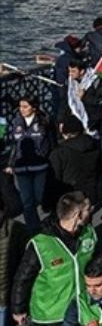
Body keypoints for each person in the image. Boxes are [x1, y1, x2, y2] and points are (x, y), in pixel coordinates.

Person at [10, 191, 96, 326]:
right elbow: (23, 278)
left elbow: (97, 264)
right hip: (51, 316)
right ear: (77, 215)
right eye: (87, 209)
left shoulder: (89, 235)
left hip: (82, 310)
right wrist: (18, 309)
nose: (91, 211)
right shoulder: (41, 244)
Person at [7, 94, 52, 227]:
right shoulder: (16, 121)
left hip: (39, 166)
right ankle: (34, 229)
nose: (22, 109)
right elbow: (14, 144)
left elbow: (51, 141)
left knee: (38, 197)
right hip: (21, 167)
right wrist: (11, 163)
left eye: (25, 107)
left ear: (34, 108)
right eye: (20, 106)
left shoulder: (44, 121)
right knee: (27, 201)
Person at [48, 117, 101, 208]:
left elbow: (54, 179)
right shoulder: (95, 145)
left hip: (68, 197)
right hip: (90, 194)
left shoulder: (59, 153)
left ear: (66, 134)